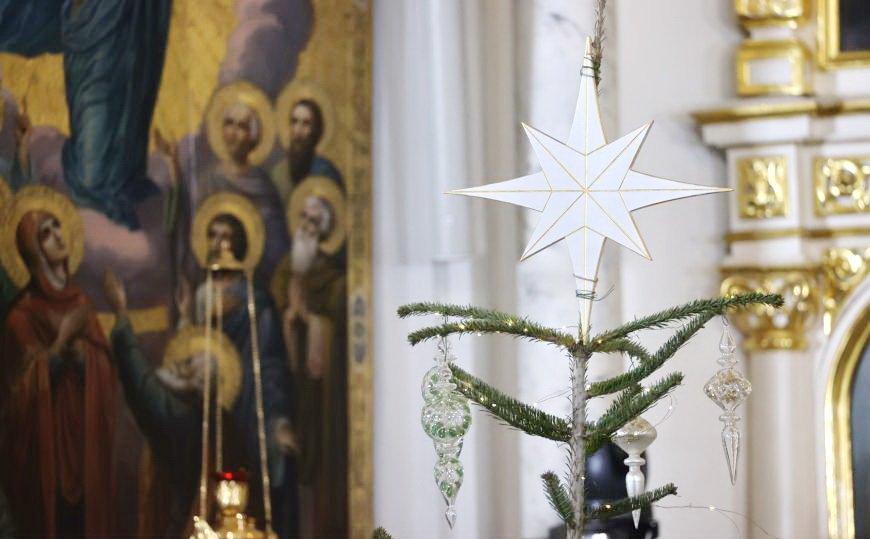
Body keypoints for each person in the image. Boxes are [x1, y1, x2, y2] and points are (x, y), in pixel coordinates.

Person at [0, 195, 117, 538]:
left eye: (57, 227)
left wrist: (84, 358)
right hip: (44, 456)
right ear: (33, 251)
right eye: (45, 233)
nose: (58, 236)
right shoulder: (21, 316)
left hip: (85, 444)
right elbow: (16, 400)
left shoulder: (81, 303)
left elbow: (105, 369)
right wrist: (61, 343)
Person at [282, 194, 348, 538]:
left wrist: (309, 320)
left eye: (313, 222)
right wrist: (289, 322)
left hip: (323, 395)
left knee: (320, 466)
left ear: (325, 231)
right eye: (303, 219)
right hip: (292, 386)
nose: (305, 227)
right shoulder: (287, 275)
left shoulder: (335, 280)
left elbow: (336, 334)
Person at [196, 93, 288, 281]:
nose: (233, 132)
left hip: (255, 280)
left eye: (241, 126)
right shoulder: (208, 181)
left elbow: (277, 246)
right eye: (229, 123)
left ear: (253, 138)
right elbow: (196, 235)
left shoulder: (263, 185)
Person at [271, 99, 342, 204]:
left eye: (306, 124)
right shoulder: (278, 174)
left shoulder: (327, 173)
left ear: (316, 130)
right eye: (294, 122)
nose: (298, 131)